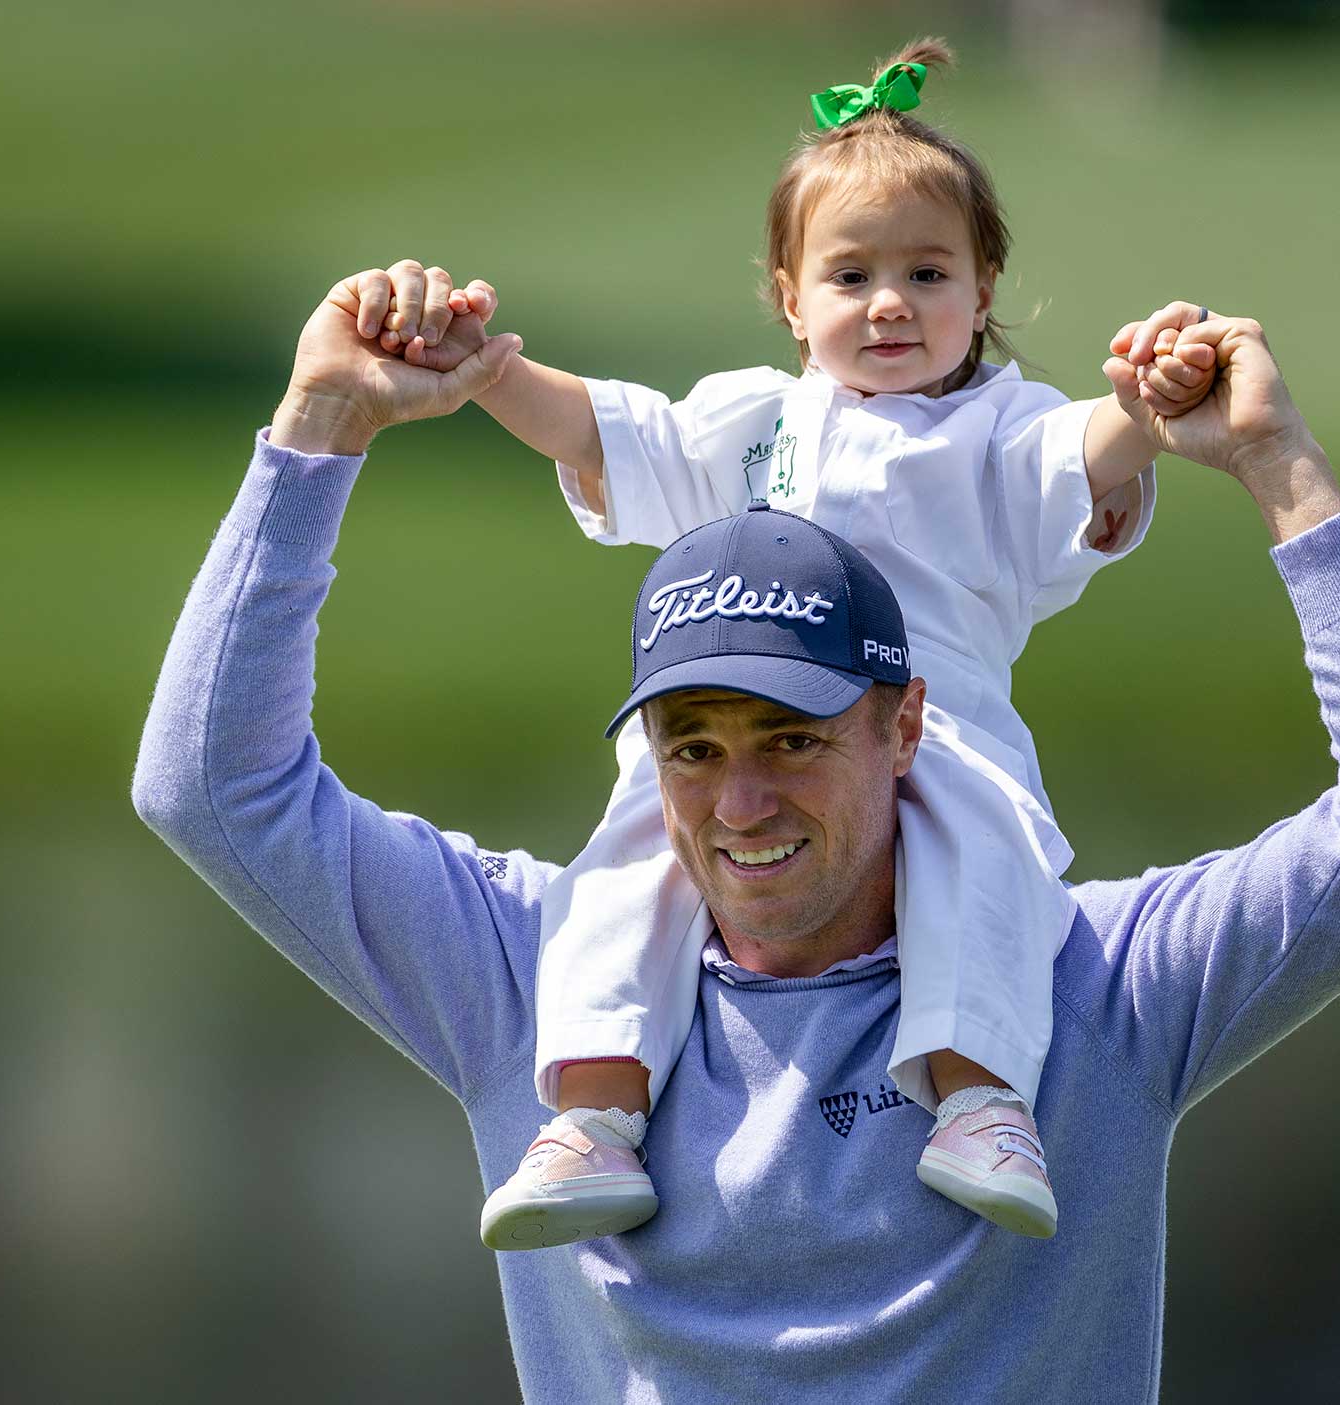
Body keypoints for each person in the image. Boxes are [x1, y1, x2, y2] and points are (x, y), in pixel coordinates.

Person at [130, 264, 1340, 1402]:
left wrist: (1279, 467)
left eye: (792, 739)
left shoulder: (1088, 987)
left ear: (903, 728)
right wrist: (319, 424)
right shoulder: (537, 979)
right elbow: (210, 788)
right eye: (696, 749)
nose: (740, 804)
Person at [360, 38, 1225, 1249]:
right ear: (788, 297)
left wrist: (1151, 400)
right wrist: (486, 371)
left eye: (927, 272)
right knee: (631, 857)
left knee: (983, 860)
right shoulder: (754, 420)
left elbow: (1083, 458)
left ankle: (977, 1095)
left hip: (937, 723)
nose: (888, 303)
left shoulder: (994, 430)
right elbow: (612, 437)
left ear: (982, 293)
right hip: (744, 722)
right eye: (849, 274)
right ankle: (594, 1114)